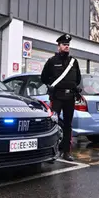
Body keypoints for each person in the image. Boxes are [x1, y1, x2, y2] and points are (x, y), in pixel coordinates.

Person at [40, 33, 82, 161]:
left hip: (70, 97)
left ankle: (66, 152)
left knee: (68, 125)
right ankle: (51, 152)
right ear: (58, 46)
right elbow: (44, 77)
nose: (66, 47)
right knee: (53, 124)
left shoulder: (74, 62)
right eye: (64, 45)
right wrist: (50, 86)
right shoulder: (52, 61)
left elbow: (78, 78)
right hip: (57, 97)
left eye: (68, 45)